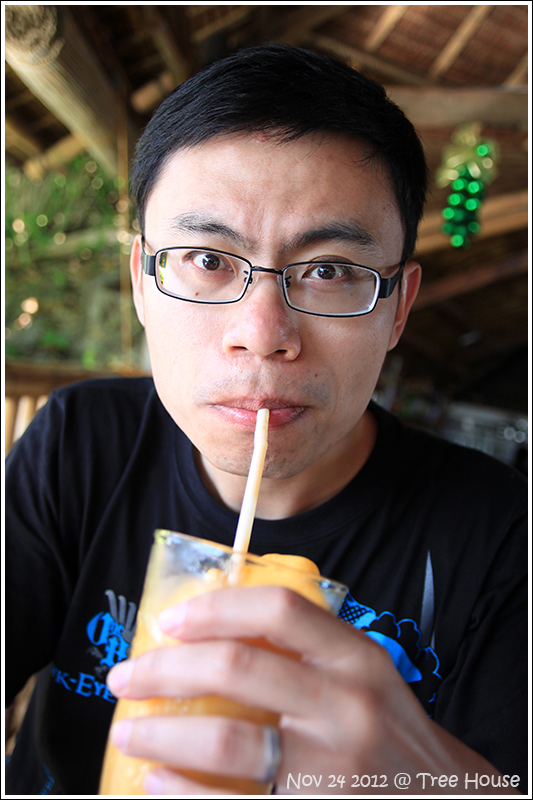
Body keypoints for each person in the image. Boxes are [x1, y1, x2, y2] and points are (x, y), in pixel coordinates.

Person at [5, 45, 526, 796]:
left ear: (398, 309)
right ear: (142, 283)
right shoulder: (81, 441)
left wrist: (426, 782)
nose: (262, 333)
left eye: (330, 270)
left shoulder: (502, 536)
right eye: (207, 259)